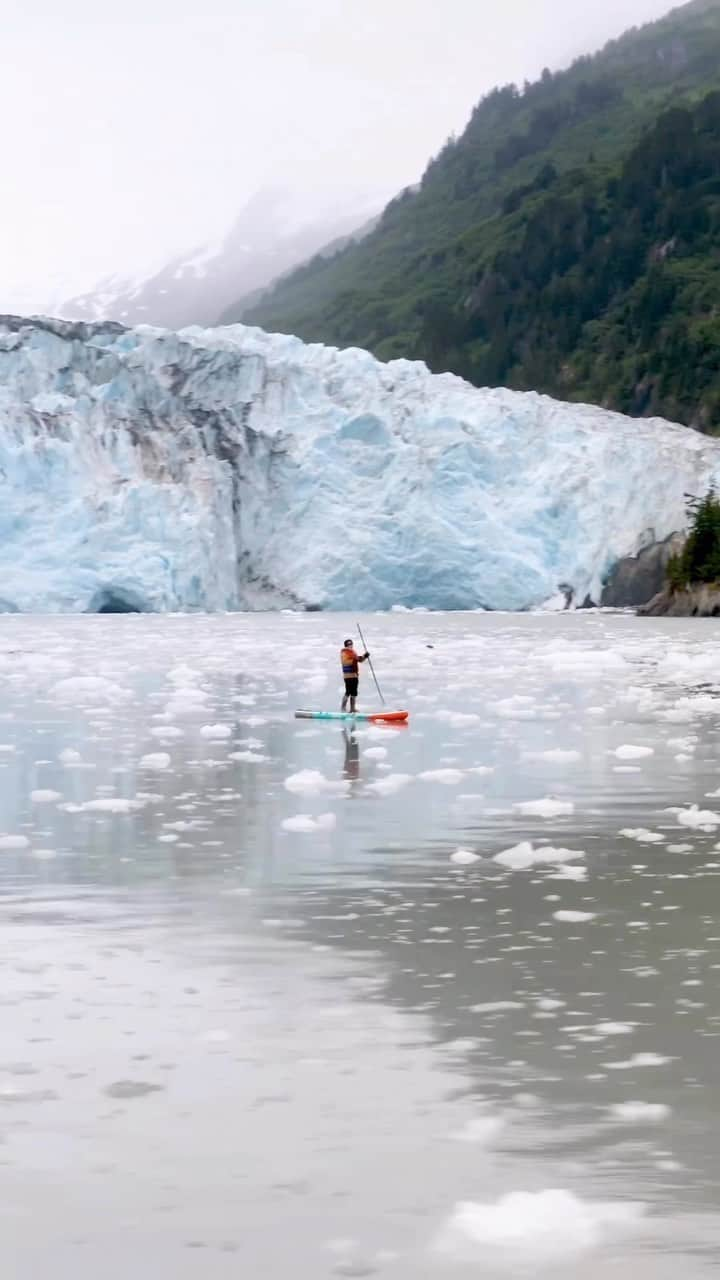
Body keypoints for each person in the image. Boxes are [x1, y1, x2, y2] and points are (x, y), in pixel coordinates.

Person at [340, 638, 369, 713]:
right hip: (348, 676)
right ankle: (343, 708)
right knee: (348, 691)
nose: (350, 645)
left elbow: (359, 660)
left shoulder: (352, 652)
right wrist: (357, 658)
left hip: (354, 675)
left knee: (354, 692)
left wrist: (365, 656)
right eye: (348, 644)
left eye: (351, 644)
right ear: (346, 645)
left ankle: (352, 709)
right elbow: (347, 662)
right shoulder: (344, 652)